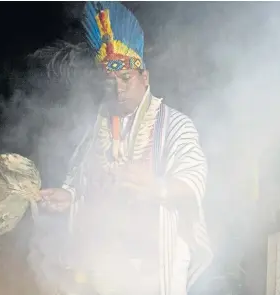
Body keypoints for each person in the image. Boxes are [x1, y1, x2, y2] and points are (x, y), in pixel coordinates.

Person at [39, 2, 213, 295]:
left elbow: (194, 181)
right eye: (110, 82)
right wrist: (68, 197)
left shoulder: (175, 125)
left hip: (155, 268)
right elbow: (82, 184)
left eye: (126, 78)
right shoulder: (96, 130)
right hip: (104, 265)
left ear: (145, 78)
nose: (118, 88)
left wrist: (157, 186)